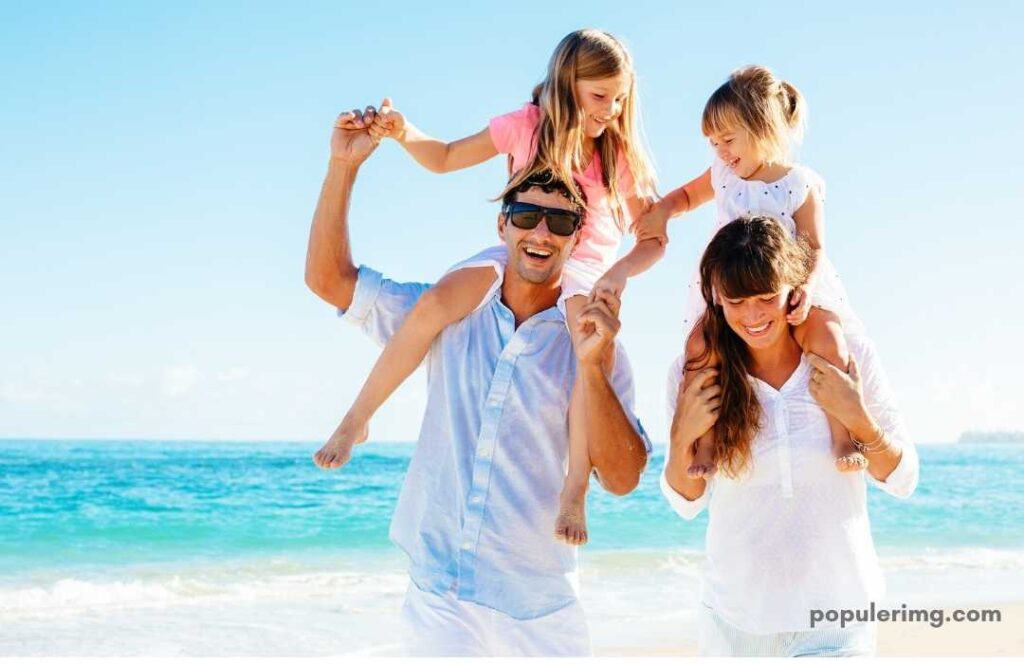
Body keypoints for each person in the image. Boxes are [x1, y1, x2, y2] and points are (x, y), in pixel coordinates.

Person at [305, 107, 651, 656]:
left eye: (560, 222)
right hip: (438, 592)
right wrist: (342, 167)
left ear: (576, 237)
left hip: (537, 609)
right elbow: (328, 281)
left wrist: (589, 365)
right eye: (526, 216)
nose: (541, 232)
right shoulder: (448, 309)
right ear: (501, 224)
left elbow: (625, 476)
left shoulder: (593, 338)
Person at [318, 29, 660, 546]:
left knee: (584, 362)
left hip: (584, 268)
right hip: (518, 253)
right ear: (567, 85)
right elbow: (447, 157)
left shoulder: (617, 155)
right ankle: (356, 419)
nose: (611, 109)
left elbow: (654, 238)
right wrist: (405, 131)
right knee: (435, 302)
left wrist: (619, 273)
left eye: (620, 98)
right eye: (600, 96)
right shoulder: (526, 127)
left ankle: (574, 492)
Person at [661, 216, 919, 657]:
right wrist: (683, 434)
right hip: (734, 626)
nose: (754, 315)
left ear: (793, 289)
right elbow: (686, 503)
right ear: (717, 297)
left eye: (766, 296)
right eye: (737, 300)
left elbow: (903, 478)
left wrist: (856, 418)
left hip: (837, 621)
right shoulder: (699, 372)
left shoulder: (846, 355)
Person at [635, 65, 864, 479]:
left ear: (762, 127)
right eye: (712, 142)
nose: (720, 151)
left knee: (829, 339)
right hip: (731, 289)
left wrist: (807, 290)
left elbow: (813, 244)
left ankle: (843, 434)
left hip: (788, 289)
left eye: (727, 139)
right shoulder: (723, 175)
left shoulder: (798, 183)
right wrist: (664, 211)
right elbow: (687, 195)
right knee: (702, 349)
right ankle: (705, 441)